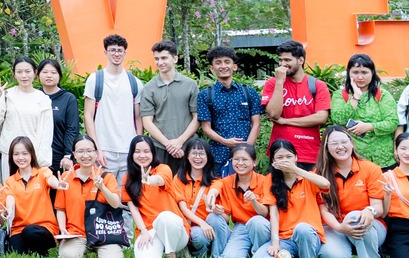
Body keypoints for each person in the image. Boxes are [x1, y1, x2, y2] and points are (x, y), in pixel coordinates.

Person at [253, 139, 329, 258]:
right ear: (273, 161)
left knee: (302, 228)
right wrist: (275, 242)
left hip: (309, 236)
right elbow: (274, 214)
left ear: (296, 157)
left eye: (289, 156)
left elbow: (326, 184)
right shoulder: (270, 180)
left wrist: (296, 170)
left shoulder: (308, 177)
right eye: (280, 157)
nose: (285, 160)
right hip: (285, 238)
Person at [53, 136, 128, 258]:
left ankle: (98, 249)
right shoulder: (66, 177)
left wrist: (102, 187)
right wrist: (62, 228)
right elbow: (60, 208)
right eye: (80, 151)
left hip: (103, 232)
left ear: (96, 153)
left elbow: (116, 203)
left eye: (89, 151)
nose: (85, 155)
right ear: (74, 154)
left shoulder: (107, 177)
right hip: (76, 233)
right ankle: (84, 250)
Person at [320, 127, 386, 258]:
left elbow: (378, 207)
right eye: (334, 143)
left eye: (344, 142)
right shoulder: (320, 174)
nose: (340, 147)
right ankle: (347, 255)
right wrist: (340, 228)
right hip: (336, 226)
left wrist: (369, 210)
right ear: (326, 147)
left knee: (355, 217)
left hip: (370, 226)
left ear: (351, 143)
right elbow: (324, 210)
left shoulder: (370, 168)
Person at [262, 40, 331, 169]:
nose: (282, 64)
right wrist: (279, 82)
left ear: (300, 60)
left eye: (287, 60)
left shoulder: (317, 85)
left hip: (309, 152)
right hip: (280, 152)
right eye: (280, 60)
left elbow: (321, 117)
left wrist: (285, 121)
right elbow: (274, 113)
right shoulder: (272, 83)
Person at [195, 45, 262, 176]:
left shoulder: (249, 92)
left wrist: (245, 148)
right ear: (212, 68)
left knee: (247, 188)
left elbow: (256, 123)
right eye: (218, 63)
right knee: (219, 187)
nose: (223, 66)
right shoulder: (205, 95)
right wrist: (224, 141)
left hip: (246, 156)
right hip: (218, 155)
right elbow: (206, 128)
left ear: (234, 66)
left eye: (227, 62)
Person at [123, 136, 190, 258]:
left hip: (174, 229)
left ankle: (171, 255)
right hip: (149, 230)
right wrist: (144, 232)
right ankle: (160, 249)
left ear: (153, 153)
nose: (142, 155)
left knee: (165, 217)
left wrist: (148, 180)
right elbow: (134, 210)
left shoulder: (163, 168)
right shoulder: (128, 178)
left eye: (146, 151)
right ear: (131, 154)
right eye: (137, 151)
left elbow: (160, 180)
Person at [82, 35, 143, 175]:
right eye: (112, 50)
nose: (116, 54)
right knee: (103, 189)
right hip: (103, 150)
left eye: (120, 50)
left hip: (128, 150)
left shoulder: (135, 83)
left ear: (125, 53)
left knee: (128, 189)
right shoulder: (95, 79)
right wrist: (96, 149)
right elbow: (88, 115)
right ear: (105, 52)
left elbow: (138, 117)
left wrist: (138, 149)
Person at [136, 41, 198, 174]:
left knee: (187, 184)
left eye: (164, 58)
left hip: (187, 146)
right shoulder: (149, 88)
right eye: (156, 59)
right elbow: (147, 121)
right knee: (161, 184)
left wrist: (180, 142)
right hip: (160, 148)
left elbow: (197, 117)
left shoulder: (190, 85)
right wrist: (169, 145)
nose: (160, 62)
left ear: (175, 59)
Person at [332, 54, 399, 168]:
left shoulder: (382, 95)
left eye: (364, 72)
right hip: (353, 159)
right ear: (349, 73)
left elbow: (392, 123)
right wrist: (356, 97)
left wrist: (369, 126)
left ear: (372, 73)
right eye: (355, 72)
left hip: (383, 159)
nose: (360, 77)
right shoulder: (340, 95)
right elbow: (338, 120)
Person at [210, 144, 273, 258]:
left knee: (256, 222)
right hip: (241, 227)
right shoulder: (227, 182)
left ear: (254, 162)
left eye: (245, 159)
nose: (240, 163)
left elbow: (265, 213)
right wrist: (216, 209)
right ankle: (224, 254)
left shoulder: (264, 181)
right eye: (236, 159)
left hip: (261, 227)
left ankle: (257, 253)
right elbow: (226, 216)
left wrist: (254, 201)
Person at [0, 136, 58, 257]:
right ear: (11, 156)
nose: (20, 158)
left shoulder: (42, 172)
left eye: (24, 153)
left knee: (30, 232)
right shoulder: (9, 181)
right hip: (19, 229)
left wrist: (58, 184)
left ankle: (41, 251)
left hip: (44, 227)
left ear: (31, 154)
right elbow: (10, 198)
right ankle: (32, 249)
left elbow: (50, 180)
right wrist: (9, 210)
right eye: (16, 154)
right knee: (14, 253)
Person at [0, 59, 55, 176]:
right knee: (10, 185)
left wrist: (42, 160)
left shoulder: (43, 99)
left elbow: (46, 131)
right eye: (19, 72)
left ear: (35, 73)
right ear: (14, 74)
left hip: (33, 154)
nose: (24, 76)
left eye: (28, 71)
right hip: (10, 153)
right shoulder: (7, 95)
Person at [173, 138, 224, 258]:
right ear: (187, 156)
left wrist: (211, 201)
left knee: (207, 227)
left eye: (202, 153)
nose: (198, 157)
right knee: (198, 235)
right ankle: (199, 256)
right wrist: (202, 224)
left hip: (208, 227)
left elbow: (214, 191)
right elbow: (183, 208)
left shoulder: (216, 180)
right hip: (188, 226)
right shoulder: (178, 179)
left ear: (208, 157)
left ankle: (212, 255)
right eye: (194, 153)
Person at [37, 59, 80, 177]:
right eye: (45, 72)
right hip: (36, 156)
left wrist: (68, 155)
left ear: (60, 76)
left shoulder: (68, 98)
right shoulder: (34, 96)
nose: (49, 75)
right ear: (38, 74)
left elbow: (72, 129)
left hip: (59, 158)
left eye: (53, 72)